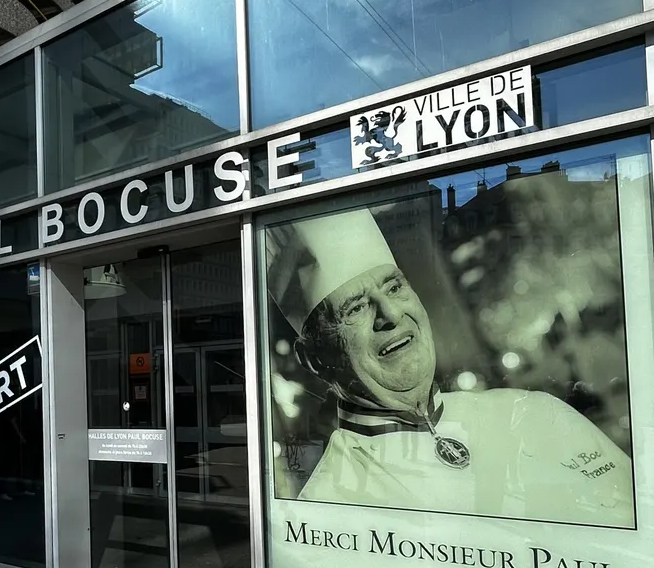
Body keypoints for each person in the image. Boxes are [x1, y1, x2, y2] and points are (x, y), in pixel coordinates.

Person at [268, 208, 634, 527]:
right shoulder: (330, 506)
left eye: (394, 288)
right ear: (315, 360)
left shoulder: (538, 412)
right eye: (356, 308)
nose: (391, 315)